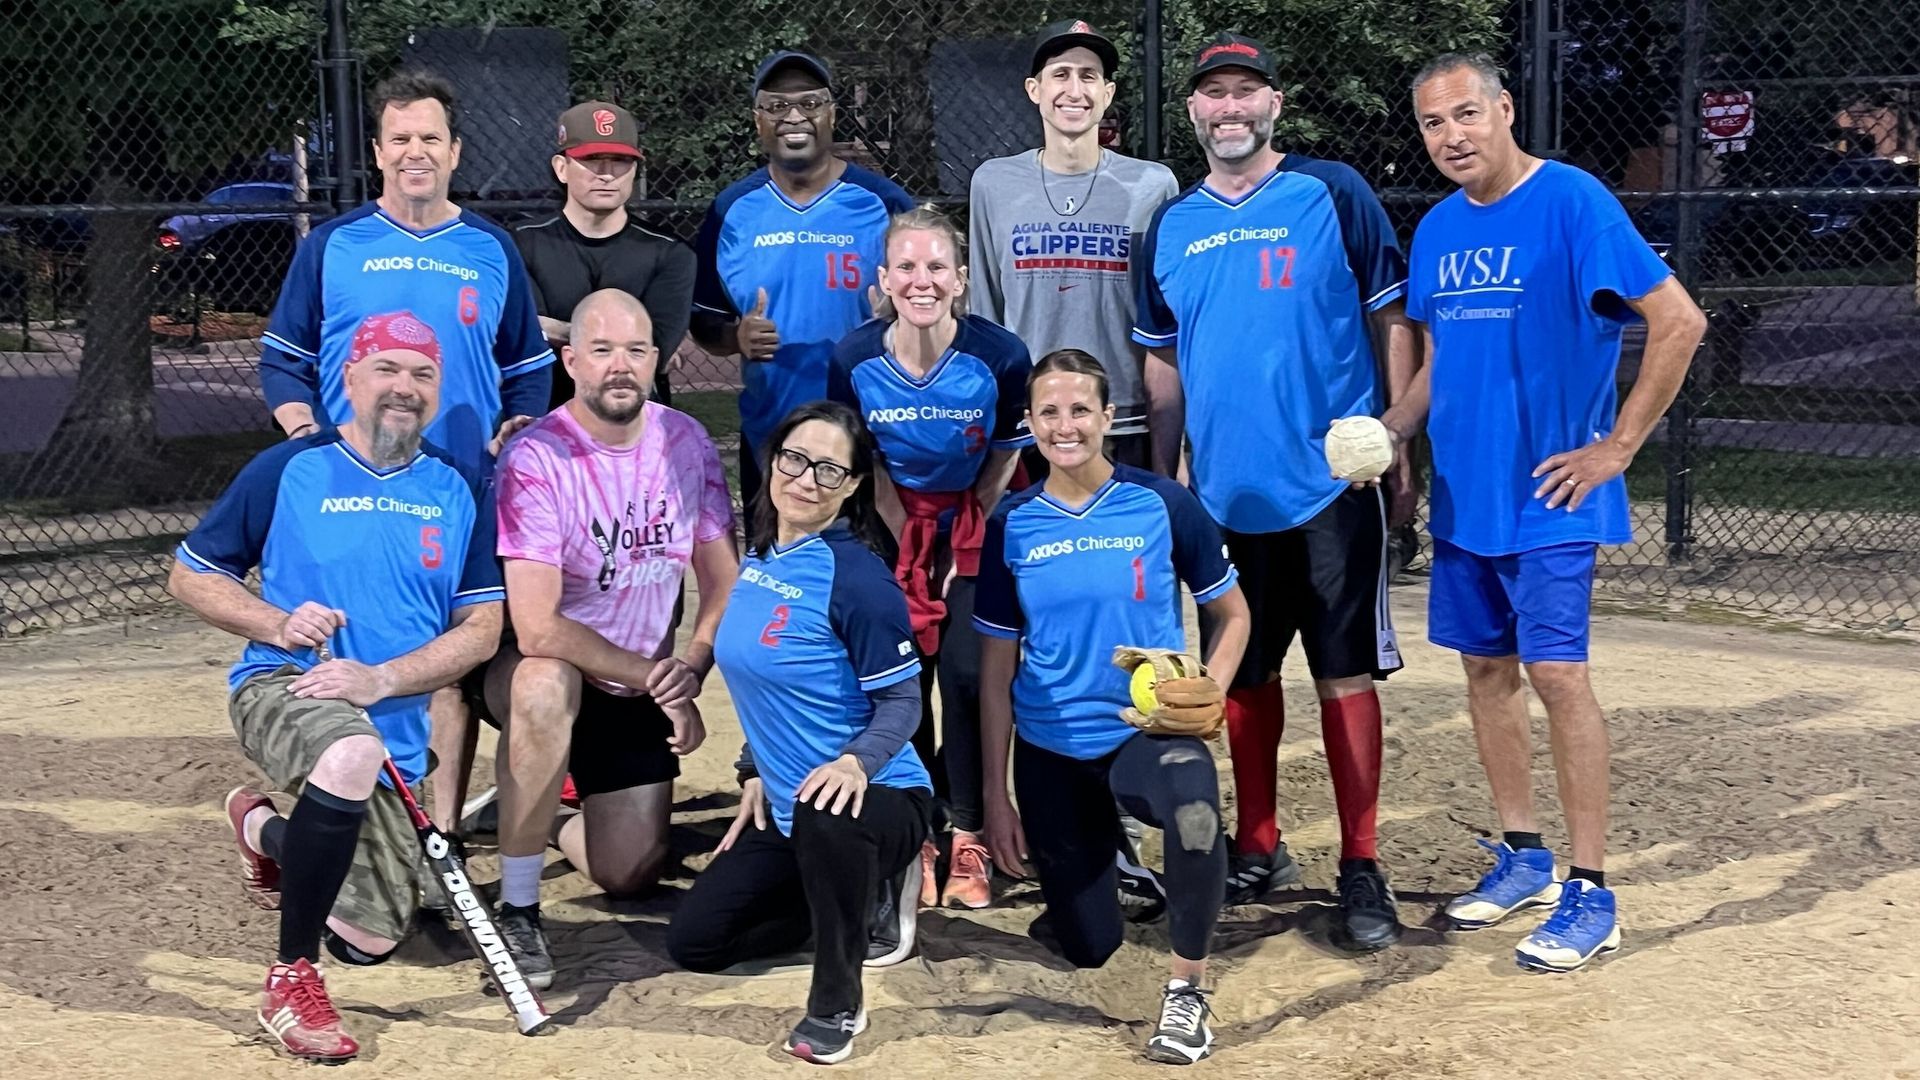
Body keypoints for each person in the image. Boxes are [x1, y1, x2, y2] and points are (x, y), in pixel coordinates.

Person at [1397, 54, 1705, 971]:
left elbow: (1679, 320)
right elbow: (1443, 353)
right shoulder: (1439, 229)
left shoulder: (1571, 201)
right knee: (1486, 676)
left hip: (1552, 498)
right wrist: (1393, 432)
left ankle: (1592, 890)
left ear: (1503, 109)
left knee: (1558, 676)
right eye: (1433, 124)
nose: (1452, 136)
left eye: (1466, 114)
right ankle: (1522, 856)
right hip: (1465, 499)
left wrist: (1616, 448)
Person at [1133, 33, 1418, 950]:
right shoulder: (1170, 224)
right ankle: (1260, 843)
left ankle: (1363, 864)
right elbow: (1161, 363)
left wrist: (1400, 440)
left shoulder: (1333, 191)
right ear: (1193, 114)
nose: (1229, 108)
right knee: (1247, 674)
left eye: (1245, 92)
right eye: (1212, 95)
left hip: (1331, 484)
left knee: (1342, 674)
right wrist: (1172, 479)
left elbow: (1392, 314)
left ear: (1274, 104)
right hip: (1224, 493)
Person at [171, 312, 503, 1063]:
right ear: (348, 379)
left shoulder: (456, 487)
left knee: (371, 937)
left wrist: (382, 677)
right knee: (348, 753)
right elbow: (191, 574)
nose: (404, 388)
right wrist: (279, 623)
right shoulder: (289, 469)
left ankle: (261, 830)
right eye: (386, 369)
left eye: (422, 375)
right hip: (285, 684)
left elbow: (481, 630)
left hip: (393, 725)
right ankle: (290, 981)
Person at [257, 70, 554, 838]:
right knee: (337, 651)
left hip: (454, 489)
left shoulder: (490, 248)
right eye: (399, 139)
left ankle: (436, 839)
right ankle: (332, 818)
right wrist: (303, 435)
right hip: (349, 491)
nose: (414, 152)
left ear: (454, 151)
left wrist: (519, 426)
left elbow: (527, 366)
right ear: (379, 152)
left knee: (444, 665)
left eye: (429, 138)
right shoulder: (334, 245)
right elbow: (283, 359)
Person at [974, 349, 1250, 1065]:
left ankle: (1187, 995)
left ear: (1107, 416)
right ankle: (1109, 866)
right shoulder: (1013, 522)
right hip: (1051, 745)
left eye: (1079, 410)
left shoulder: (1162, 504)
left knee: (1194, 813)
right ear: (1030, 423)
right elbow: (998, 668)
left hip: (1144, 731)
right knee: (1090, 947)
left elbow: (1234, 614)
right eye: (1049, 412)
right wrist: (996, 798)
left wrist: (1212, 688)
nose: (1066, 426)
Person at [483, 289, 739, 988]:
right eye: (601, 350)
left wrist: (689, 668)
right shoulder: (538, 457)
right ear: (571, 361)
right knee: (542, 684)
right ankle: (519, 907)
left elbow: (724, 581)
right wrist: (656, 678)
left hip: (638, 678)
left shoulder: (684, 443)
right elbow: (537, 626)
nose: (619, 366)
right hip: (546, 665)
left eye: (635, 350)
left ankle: (529, 813)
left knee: (630, 873)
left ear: (657, 361)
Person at [666, 401, 931, 1066]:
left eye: (829, 469)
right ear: (772, 459)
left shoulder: (858, 578)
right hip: (792, 808)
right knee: (697, 943)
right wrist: (755, 769)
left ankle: (838, 999)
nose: (806, 478)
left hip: (878, 795)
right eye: (795, 459)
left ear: (852, 485)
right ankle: (854, 892)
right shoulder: (759, 557)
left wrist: (856, 763)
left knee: (828, 813)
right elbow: (771, 683)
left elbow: (903, 701)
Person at [826, 206, 1029, 911]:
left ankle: (969, 828)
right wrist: (906, 550)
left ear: (961, 279)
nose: (922, 280)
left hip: (975, 516)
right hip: (891, 522)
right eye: (906, 267)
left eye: (937, 266)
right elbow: (867, 465)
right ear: (882, 279)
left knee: (971, 672)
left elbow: (1004, 458)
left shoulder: (1000, 356)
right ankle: (918, 831)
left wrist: (960, 542)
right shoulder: (854, 358)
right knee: (902, 675)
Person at [689, 49, 915, 508]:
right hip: (773, 433)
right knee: (777, 570)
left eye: (811, 103)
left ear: (832, 112)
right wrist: (736, 336)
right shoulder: (732, 209)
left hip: (871, 431)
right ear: (758, 121)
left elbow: (933, 306)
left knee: (870, 574)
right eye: (777, 106)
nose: (795, 116)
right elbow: (701, 318)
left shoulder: (883, 203)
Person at [967, 19, 1178, 472]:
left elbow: (1166, 318)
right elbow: (986, 312)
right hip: (1031, 419)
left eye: (1088, 76)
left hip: (1123, 418)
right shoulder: (993, 183)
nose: (1074, 89)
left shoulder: (1153, 185)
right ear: (1033, 89)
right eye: (1060, 74)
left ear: (1107, 92)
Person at [514, 101, 697, 410]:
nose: (607, 173)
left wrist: (558, 330)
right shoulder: (522, 243)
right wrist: (622, 340)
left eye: (620, 160)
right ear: (562, 168)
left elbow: (653, 354)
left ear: (636, 169)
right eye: (592, 158)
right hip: (542, 420)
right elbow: (524, 344)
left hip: (634, 428)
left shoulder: (670, 253)